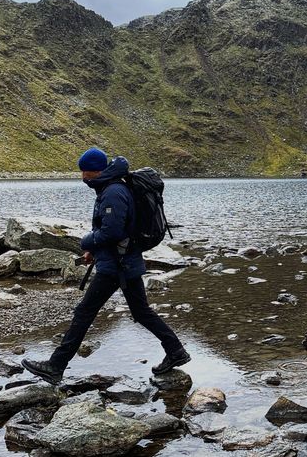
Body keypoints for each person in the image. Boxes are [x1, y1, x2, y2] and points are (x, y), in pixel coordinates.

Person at [22, 147, 190, 383]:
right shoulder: (111, 187)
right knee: (141, 312)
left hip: (117, 266)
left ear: (98, 170)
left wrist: (86, 241)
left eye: (86, 172)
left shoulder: (113, 192)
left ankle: (55, 366)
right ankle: (176, 351)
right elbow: (115, 231)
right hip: (124, 261)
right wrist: (95, 249)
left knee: (84, 312)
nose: (83, 177)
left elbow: (113, 231)